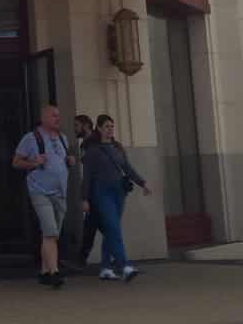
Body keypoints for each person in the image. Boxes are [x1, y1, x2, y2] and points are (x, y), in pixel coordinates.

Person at [82, 113, 152, 283]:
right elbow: (87, 177)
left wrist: (142, 183)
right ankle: (124, 265)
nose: (110, 129)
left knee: (110, 229)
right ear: (98, 128)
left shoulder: (118, 148)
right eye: (106, 126)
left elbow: (127, 168)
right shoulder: (92, 151)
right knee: (113, 227)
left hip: (118, 192)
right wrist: (84, 199)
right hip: (101, 192)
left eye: (112, 126)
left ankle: (106, 268)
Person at [12, 104, 75, 288]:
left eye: (58, 115)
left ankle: (44, 272)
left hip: (60, 193)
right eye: (54, 115)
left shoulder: (63, 138)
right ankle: (54, 273)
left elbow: (62, 161)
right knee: (50, 231)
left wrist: (68, 161)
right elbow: (15, 162)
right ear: (44, 117)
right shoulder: (31, 138)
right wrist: (33, 162)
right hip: (40, 191)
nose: (57, 118)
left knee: (51, 235)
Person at [66, 114, 99, 272]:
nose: (74, 129)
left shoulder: (88, 143)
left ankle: (81, 260)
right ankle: (81, 259)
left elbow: (88, 172)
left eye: (77, 125)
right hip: (100, 190)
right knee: (95, 227)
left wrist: (85, 196)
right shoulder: (97, 140)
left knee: (92, 227)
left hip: (96, 192)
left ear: (86, 125)